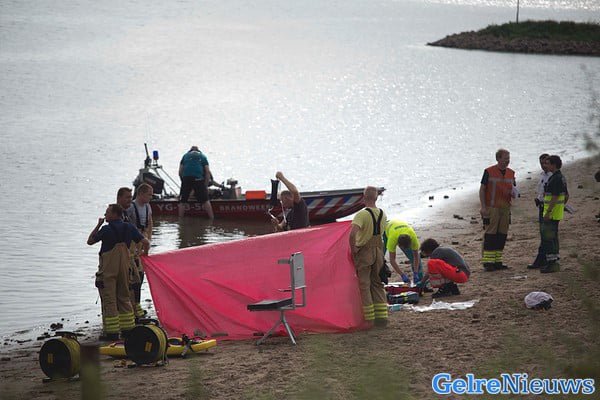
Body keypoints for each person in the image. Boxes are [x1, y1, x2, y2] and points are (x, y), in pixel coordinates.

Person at [87, 204, 149, 341]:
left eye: (107, 212)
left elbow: (90, 241)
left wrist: (98, 225)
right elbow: (146, 242)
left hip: (108, 271)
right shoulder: (129, 227)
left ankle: (112, 333)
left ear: (115, 214)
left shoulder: (106, 229)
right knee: (124, 298)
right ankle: (128, 330)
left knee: (109, 300)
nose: (105, 214)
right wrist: (144, 254)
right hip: (125, 269)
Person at [349, 186, 388, 327]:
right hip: (378, 250)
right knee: (377, 283)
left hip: (365, 251)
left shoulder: (361, 214)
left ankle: (369, 319)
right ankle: (382, 317)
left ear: (364, 197)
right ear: (376, 198)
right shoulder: (383, 213)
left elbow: (352, 234)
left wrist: (353, 249)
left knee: (364, 285)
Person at [479, 149, 517, 271]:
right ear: (498, 159)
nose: (507, 161)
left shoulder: (511, 173)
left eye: (508, 158)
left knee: (502, 235)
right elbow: (482, 189)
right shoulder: (489, 171)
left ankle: (497, 261)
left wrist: (515, 194)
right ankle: (488, 262)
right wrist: (483, 207)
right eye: (505, 158)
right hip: (492, 208)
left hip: (505, 208)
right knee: (490, 235)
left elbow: (514, 189)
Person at [116, 187, 145, 319]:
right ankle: (128, 313)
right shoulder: (117, 214)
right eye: (127, 197)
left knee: (137, 280)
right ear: (119, 198)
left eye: (131, 197)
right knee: (128, 284)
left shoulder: (126, 213)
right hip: (120, 257)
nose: (130, 200)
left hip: (131, 255)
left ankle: (134, 309)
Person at [539, 155, 568, 273]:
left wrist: (548, 212)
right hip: (556, 212)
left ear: (554, 164)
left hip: (552, 213)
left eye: (548, 163)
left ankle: (552, 263)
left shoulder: (556, 178)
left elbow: (555, 196)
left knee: (549, 238)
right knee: (553, 237)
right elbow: (566, 196)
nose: (545, 165)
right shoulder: (560, 177)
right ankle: (554, 261)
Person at [528, 154, 551, 269]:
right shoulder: (543, 175)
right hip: (542, 206)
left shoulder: (552, 176)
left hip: (549, 207)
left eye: (545, 163)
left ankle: (544, 259)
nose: (543, 165)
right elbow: (541, 191)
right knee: (543, 233)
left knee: (547, 234)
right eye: (541, 163)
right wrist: (538, 199)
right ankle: (543, 258)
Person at [178, 146, 214, 219]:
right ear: (199, 151)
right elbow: (207, 172)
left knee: (183, 201)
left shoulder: (185, 156)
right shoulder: (203, 156)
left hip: (186, 178)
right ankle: (211, 218)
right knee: (205, 200)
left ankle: (180, 219)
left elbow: (180, 172)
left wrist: (183, 181)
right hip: (198, 179)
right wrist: (205, 186)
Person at [383, 220, 422, 284]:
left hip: (400, 227)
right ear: (398, 244)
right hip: (386, 228)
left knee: (412, 256)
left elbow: (416, 256)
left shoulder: (413, 237)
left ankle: (420, 281)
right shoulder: (392, 239)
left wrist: (416, 272)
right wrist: (402, 275)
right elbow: (392, 260)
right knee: (380, 256)